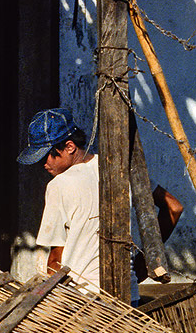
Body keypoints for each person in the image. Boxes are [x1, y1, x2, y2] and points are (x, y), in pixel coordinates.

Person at [18, 108, 182, 296]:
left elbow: (55, 260)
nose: (43, 164)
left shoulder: (59, 185)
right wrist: (142, 264)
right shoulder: (118, 168)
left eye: (46, 156)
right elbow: (174, 207)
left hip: (82, 296)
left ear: (70, 147)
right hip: (128, 292)